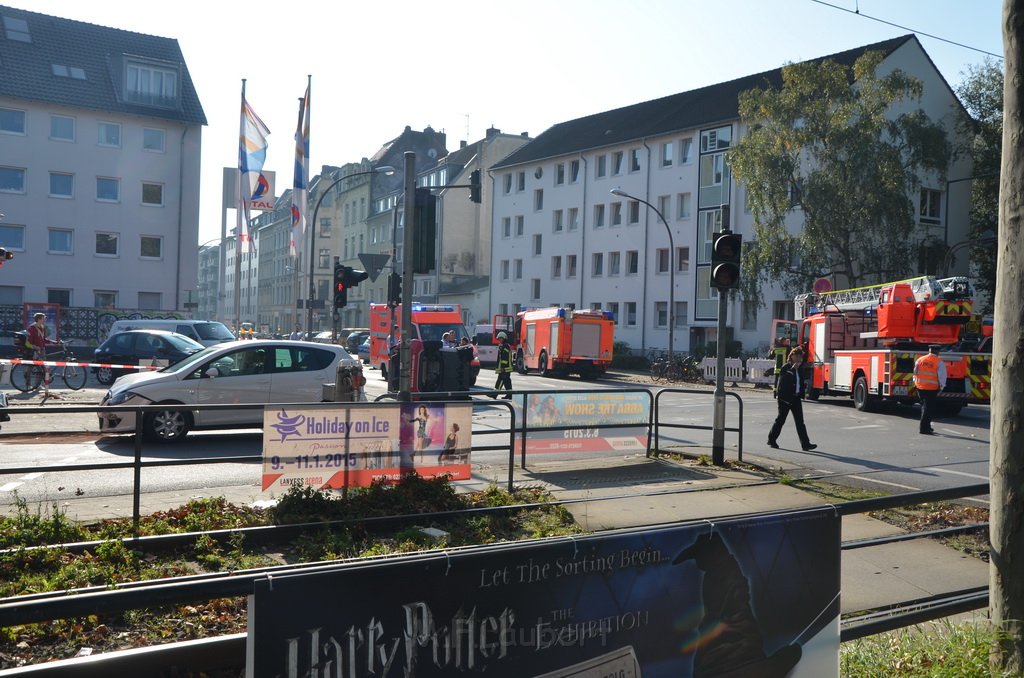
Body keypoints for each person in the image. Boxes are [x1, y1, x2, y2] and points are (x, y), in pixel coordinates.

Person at [767, 347, 817, 451]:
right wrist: (793, 369)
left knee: (800, 422)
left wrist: (802, 392)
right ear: (792, 356)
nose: (799, 358)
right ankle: (771, 439)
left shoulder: (800, 369)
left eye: (800, 356)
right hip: (785, 399)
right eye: (797, 356)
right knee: (781, 420)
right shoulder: (786, 367)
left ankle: (805, 444)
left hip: (796, 398)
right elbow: (783, 381)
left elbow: (799, 382)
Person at [913, 344, 947, 435]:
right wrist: (942, 387)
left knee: (925, 407)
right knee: (928, 408)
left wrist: (916, 383)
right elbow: (942, 376)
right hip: (931, 388)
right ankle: (924, 428)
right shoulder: (938, 362)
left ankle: (927, 427)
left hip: (920, 387)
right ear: (938, 352)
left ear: (929, 350)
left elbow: (915, 373)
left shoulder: (920, 359)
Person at [26, 312, 59, 390]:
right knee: (31, 368)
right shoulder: (31, 328)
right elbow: (28, 342)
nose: (45, 320)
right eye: (43, 318)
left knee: (42, 368)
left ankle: (38, 384)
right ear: (39, 319)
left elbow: (43, 340)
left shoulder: (42, 327)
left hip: (42, 350)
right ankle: (28, 384)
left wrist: (53, 342)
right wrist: (34, 347)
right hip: (34, 350)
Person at [494, 331, 513, 399]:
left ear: (503, 338)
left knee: (501, 380)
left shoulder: (505, 346)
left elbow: (505, 358)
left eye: (500, 338)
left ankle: (494, 394)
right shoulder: (503, 346)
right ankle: (509, 394)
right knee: (506, 381)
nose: (499, 340)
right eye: (498, 338)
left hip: (505, 368)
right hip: (506, 368)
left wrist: (503, 367)